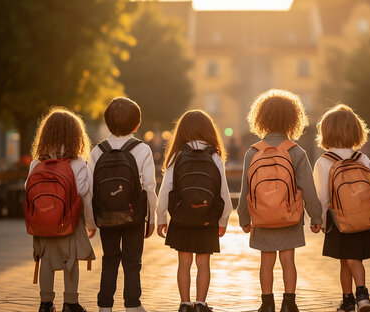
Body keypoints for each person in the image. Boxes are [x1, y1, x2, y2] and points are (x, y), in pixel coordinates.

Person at [237, 89, 323, 312]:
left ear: (261, 119)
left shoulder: (253, 152)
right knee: (288, 260)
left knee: (266, 261)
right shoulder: (296, 152)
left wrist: (244, 217)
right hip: (289, 216)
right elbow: (308, 188)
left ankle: (266, 304)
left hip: (262, 216)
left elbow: (246, 189)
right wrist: (316, 216)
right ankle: (289, 303)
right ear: (293, 120)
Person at [156, 109, 233, 312]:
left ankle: (183, 304)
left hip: (182, 217)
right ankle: (200, 304)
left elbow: (166, 188)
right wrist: (223, 220)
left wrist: (161, 216)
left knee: (184, 262)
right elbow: (223, 190)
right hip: (208, 217)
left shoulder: (177, 154)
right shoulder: (214, 155)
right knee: (203, 262)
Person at [313, 104, 370, 312]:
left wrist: (321, 222)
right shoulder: (361, 158)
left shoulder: (324, 162)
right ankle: (347, 301)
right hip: (362, 219)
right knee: (348, 259)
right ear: (356, 130)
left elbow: (322, 197)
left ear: (326, 132)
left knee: (349, 259)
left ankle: (362, 295)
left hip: (339, 220)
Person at [88, 97, 157, 312]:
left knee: (109, 259)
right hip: (133, 215)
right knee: (132, 260)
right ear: (137, 124)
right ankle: (133, 304)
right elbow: (149, 187)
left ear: (107, 123)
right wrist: (152, 218)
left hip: (105, 215)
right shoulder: (142, 149)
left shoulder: (98, 151)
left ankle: (104, 305)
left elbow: (89, 189)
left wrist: (90, 221)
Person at [27, 107, 96, 312]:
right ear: (77, 136)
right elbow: (85, 193)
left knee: (45, 262)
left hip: (42, 224)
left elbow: (27, 189)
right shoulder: (77, 163)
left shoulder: (36, 163)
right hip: (69, 224)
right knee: (70, 261)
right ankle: (70, 302)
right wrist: (91, 223)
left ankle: (46, 303)